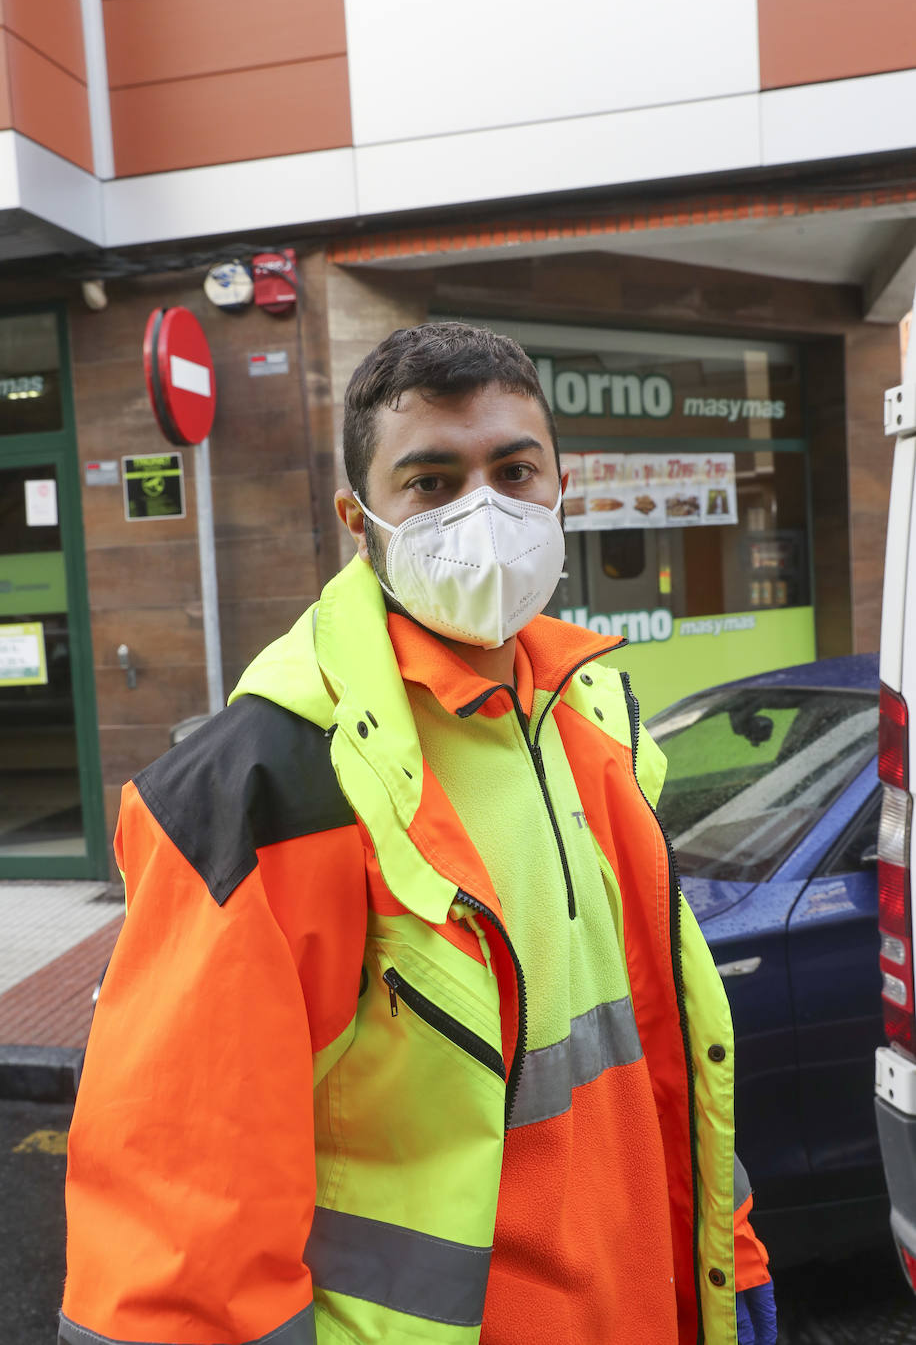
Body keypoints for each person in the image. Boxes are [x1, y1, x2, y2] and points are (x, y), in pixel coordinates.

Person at [60, 323, 777, 1345]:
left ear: (560, 488)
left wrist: (730, 1253)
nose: (484, 510)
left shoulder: (591, 719)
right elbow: (178, 1233)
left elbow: (666, 1040)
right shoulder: (265, 788)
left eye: (514, 470)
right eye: (433, 483)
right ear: (360, 519)